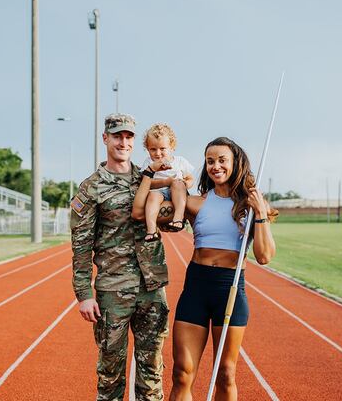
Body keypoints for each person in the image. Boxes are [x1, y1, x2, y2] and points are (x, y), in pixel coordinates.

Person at [132, 136, 277, 401]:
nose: (215, 166)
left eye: (222, 160)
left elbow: (265, 256)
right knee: (182, 373)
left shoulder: (250, 206)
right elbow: (141, 212)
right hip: (196, 289)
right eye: (210, 161)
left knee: (226, 373)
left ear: (236, 164)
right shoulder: (193, 203)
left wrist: (260, 213)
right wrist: (150, 176)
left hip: (229, 289)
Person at [70, 113, 170, 401]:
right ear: (105, 139)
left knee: (152, 369)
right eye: (117, 136)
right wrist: (83, 293)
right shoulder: (91, 187)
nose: (123, 142)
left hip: (151, 288)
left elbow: (174, 209)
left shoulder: (148, 179)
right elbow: (81, 243)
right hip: (113, 291)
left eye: (128, 137)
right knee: (111, 370)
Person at [139, 123, 195, 241]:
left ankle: (178, 218)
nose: (158, 153)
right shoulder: (148, 163)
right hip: (158, 192)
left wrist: (184, 184)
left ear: (172, 147)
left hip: (177, 191)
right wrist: (166, 182)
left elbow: (190, 179)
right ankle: (151, 230)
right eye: (153, 149)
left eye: (162, 149)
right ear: (147, 149)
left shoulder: (179, 161)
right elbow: (147, 182)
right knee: (152, 196)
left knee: (178, 184)